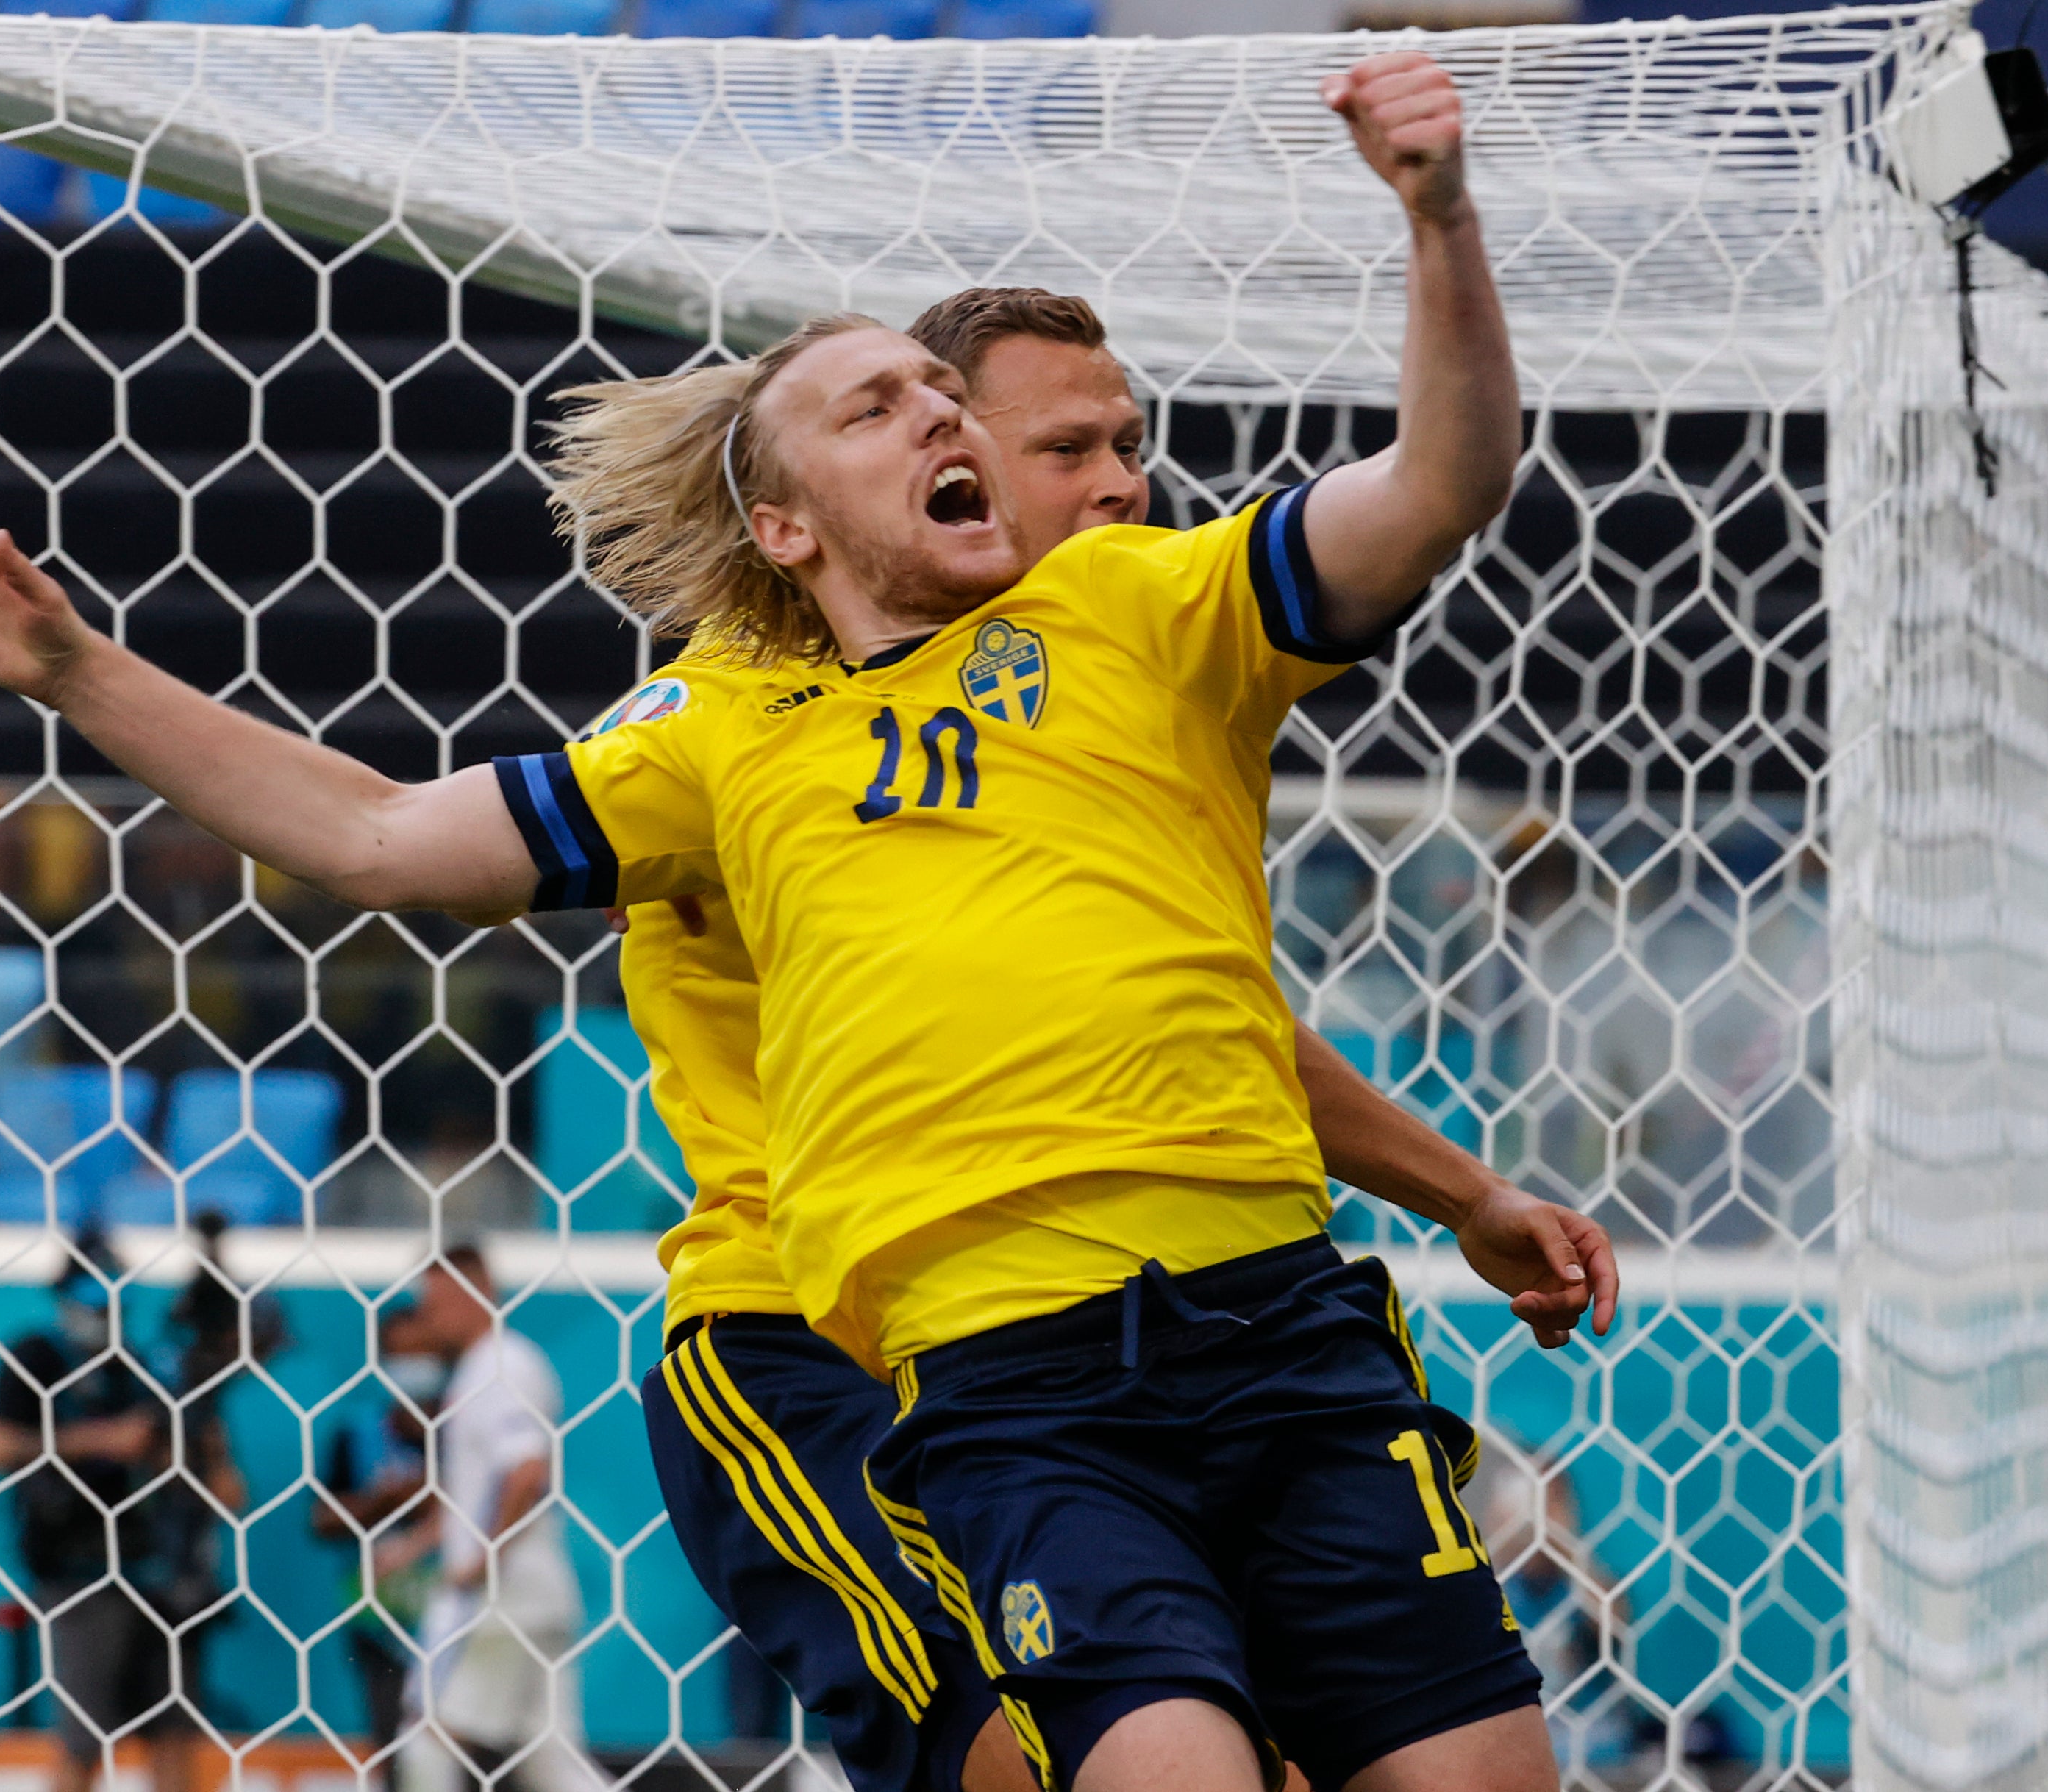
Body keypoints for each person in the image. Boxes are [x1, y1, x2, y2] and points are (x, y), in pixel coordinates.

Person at [0, 50, 1584, 1791]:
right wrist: (73, 666)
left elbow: (1429, 499)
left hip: (1275, 1312)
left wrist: (1436, 215)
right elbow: (374, 834)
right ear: (781, 523)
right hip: (936, 1348)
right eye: (883, 407)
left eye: (944, 398)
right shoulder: (720, 736)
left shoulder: (1144, 619)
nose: (969, 432)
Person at [618, 285, 1617, 1792]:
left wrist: (1467, 1194)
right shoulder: (735, 716)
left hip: (1141, 1310)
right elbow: (386, 839)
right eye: (1067, 447)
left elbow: (1194, 1023)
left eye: (1128, 446)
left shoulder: (1072, 671)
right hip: (818, 1332)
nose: (1119, 487)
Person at [0, 1235, 229, 1792]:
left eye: (113, 1301)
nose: (104, 1313)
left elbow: (225, 1487)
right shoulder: (37, 1356)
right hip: (80, 1572)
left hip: (161, 1574)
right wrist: (99, 1439)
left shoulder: (143, 1367)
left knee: (175, 1735)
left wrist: (184, 1446)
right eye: (94, 1300)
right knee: (85, 1737)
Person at [385, 1246, 600, 1792]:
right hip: (536, 1595)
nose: (428, 1315)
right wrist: (410, 1548)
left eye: (434, 1301)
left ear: (471, 1291)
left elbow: (527, 1471)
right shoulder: (483, 1368)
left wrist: (481, 1558)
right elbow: (469, 1491)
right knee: (553, 1762)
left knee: (426, 1735)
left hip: (497, 1600)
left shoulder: (503, 1365)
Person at [313, 1309, 450, 1790]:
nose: (414, 1365)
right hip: (379, 1619)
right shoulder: (357, 1431)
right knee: (394, 1749)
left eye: (424, 1354)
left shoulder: (465, 1426)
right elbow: (321, 1518)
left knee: (459, 1747)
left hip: (457, 1616)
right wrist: (387, 1499)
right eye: (402, 1354)